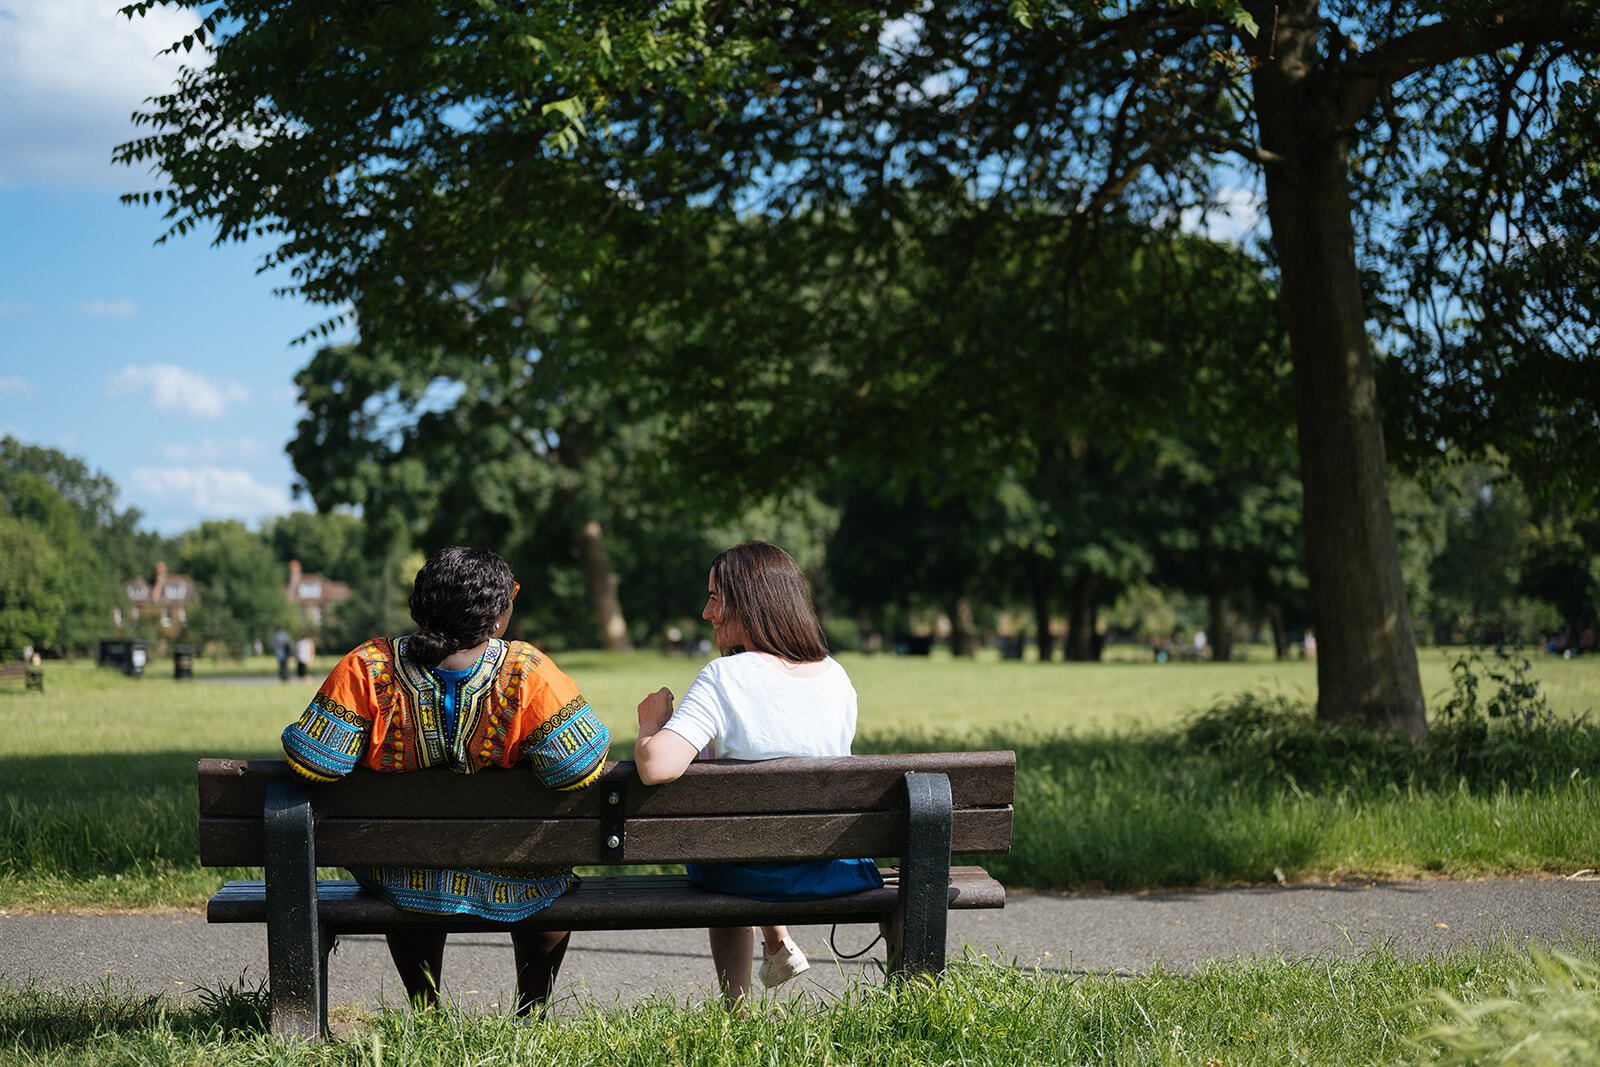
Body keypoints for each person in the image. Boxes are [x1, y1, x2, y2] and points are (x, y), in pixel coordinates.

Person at [280, 546, 611, 1015]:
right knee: (547, 875)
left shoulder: (369, 668)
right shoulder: (527, 673)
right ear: (496, 619)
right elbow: (579, 767)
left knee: (410, 866)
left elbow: (314, 762)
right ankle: (531, 1013)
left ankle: (426, 1009)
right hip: (519, 872)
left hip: (403, 871)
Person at [633, 541, 883, 1003]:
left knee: (729, 844)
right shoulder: (836, 676)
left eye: (715, 597)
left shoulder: (724, 678)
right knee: (742, 834)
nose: (707, 612)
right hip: (827, 862)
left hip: (743, 870)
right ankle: (775, 942)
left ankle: (738, 1009)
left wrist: (652, 719)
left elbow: (655, 766)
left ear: (747, 602)